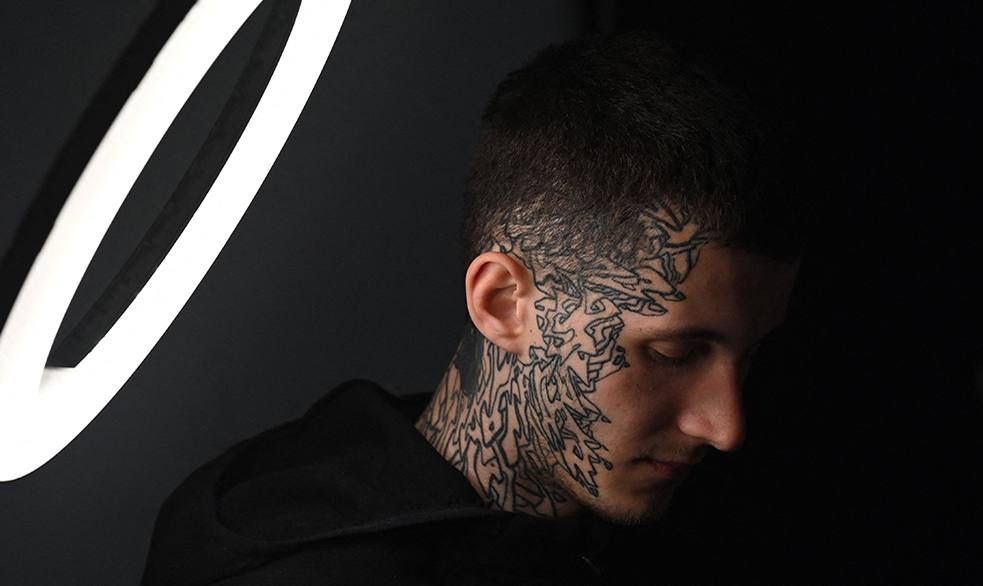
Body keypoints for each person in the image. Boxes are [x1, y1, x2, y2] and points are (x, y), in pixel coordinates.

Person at [142, 31, 806, 585]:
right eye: (673, 353)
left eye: (749, 355)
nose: (726, 428)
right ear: (503, 304)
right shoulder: (303, 562)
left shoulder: (702, 527)